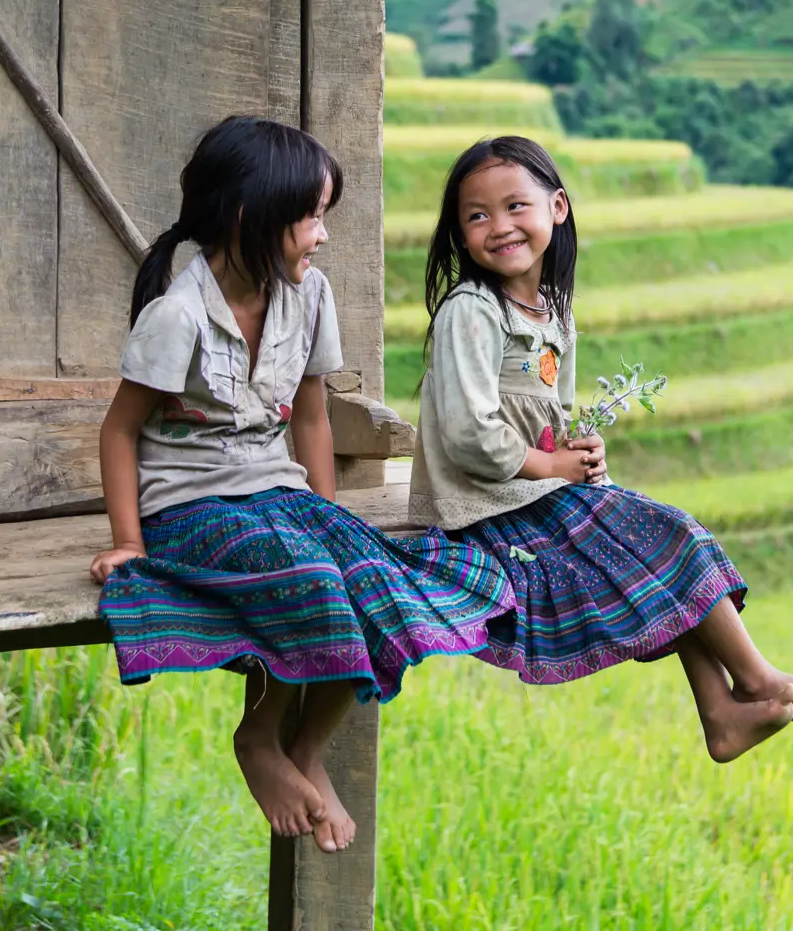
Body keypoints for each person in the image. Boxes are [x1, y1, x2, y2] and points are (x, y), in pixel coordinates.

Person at [89, 116, 513, 852]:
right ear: (251, 218)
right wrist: (128, 540)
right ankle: (258, 739)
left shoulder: (309, 296)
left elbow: (311, 418)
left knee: (372, 575)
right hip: (191, 506)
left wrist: (326, 512)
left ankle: (307, 748)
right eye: (311, 216)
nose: (322, 234)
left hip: (277, 490)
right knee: (312, 577)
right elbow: (120, 430)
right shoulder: (177, 315)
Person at [408, 135, 793, 763]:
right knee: (668, 538)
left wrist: (579, 455)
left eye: (514, 207)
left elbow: (552, 415)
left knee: (662, 549)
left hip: (535, 491)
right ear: (458, 233)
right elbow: (468, 433)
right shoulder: (471, 312)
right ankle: (755, 680)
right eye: (477, 216)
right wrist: (552, 466)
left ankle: (721, 714)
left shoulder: (552, 312)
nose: (498, 227)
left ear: (556, 208)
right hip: (483, 510)